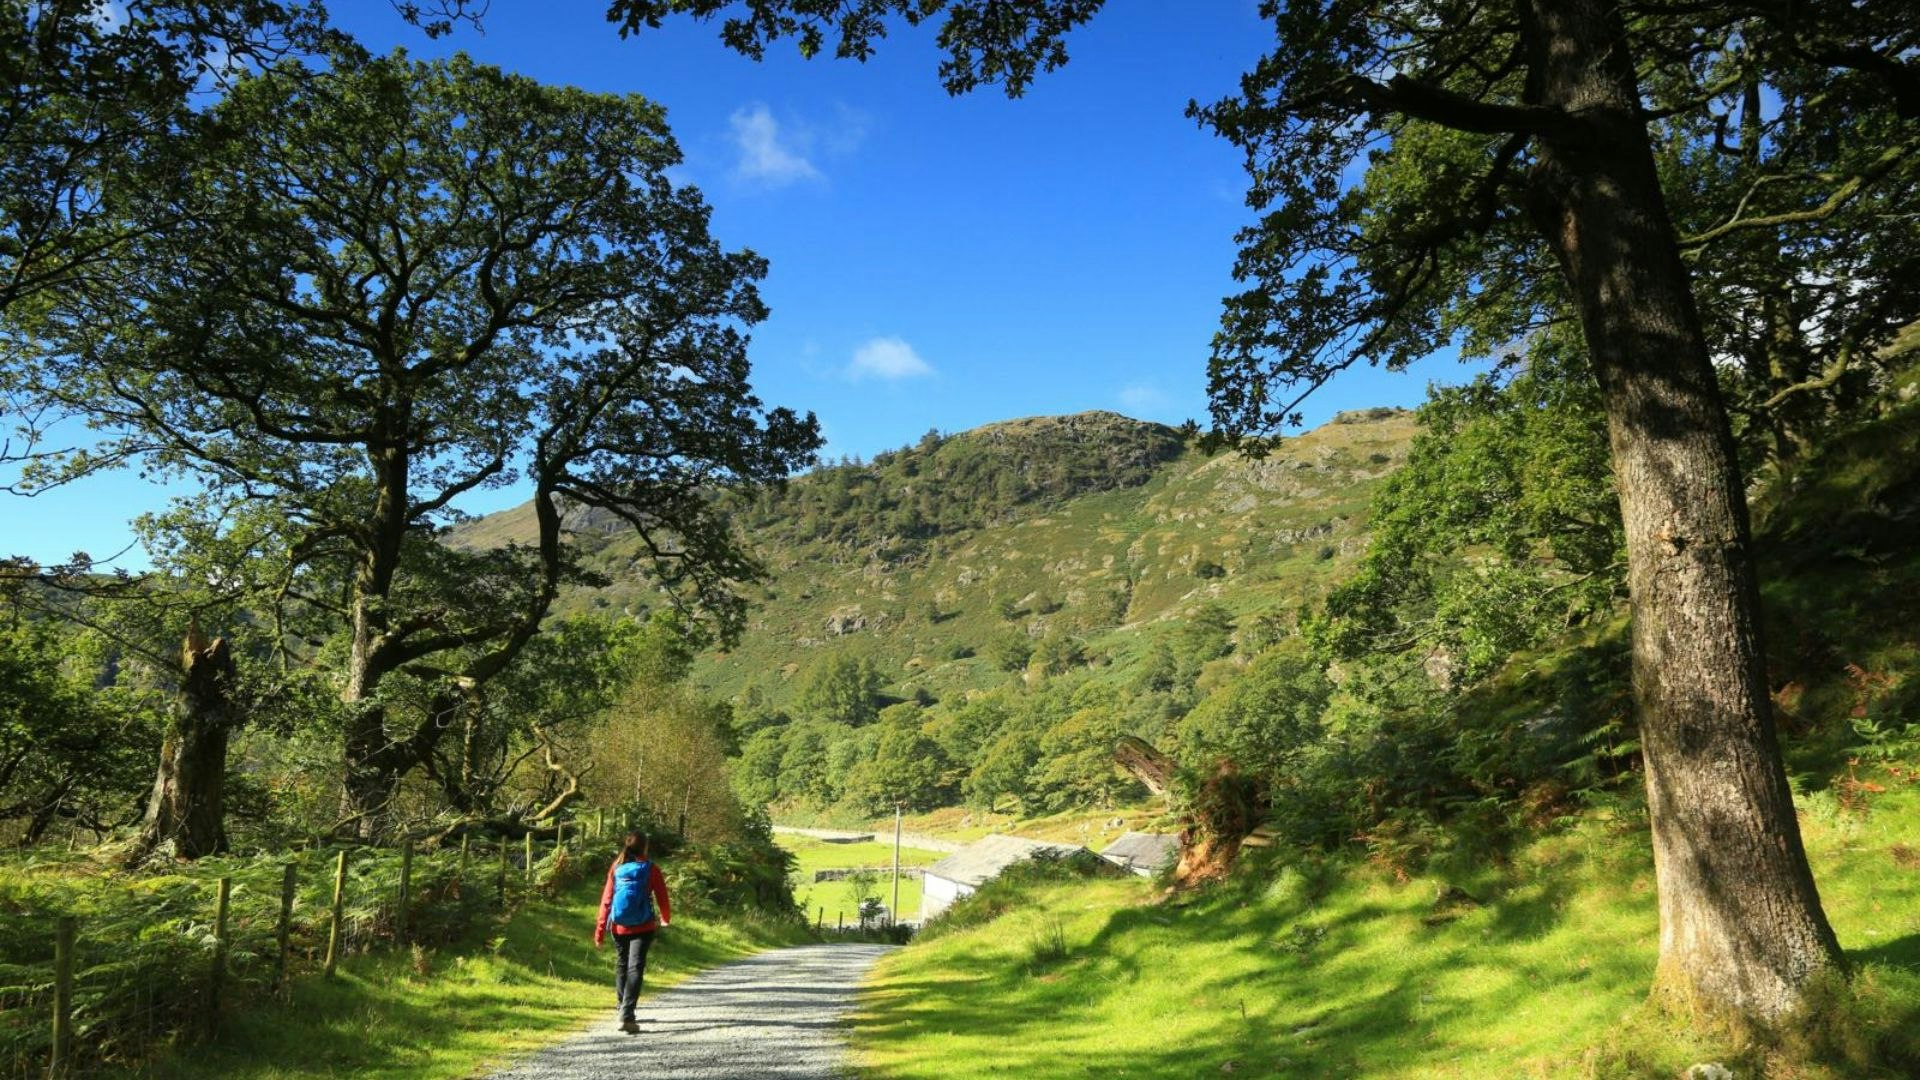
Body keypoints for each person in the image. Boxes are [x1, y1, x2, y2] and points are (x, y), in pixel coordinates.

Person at [594, 831, 671, 1032]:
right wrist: (665, 918)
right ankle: (627, 1016)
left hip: (618, 926)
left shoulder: (617, 867)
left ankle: (622, 1008)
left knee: (622, 964)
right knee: (635, 967)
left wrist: (600, 930)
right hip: (643, 926)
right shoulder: (650, 868)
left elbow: (606, 900)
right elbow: (662, 895)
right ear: (645, 847)